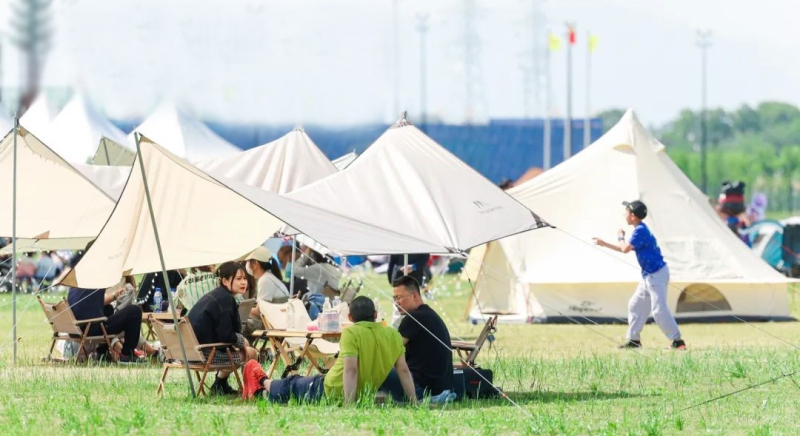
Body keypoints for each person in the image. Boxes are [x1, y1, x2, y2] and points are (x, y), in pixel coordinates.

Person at [242, 296, 417, 405]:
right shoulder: (393, 335)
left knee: (293, 383)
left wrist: (349, 405)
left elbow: (351, 369)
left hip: (331, 390)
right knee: (297, 385)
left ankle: (262, 383)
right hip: (361, 393)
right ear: (375, 314)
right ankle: (262, 390)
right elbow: (403, 370)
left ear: (350, 317)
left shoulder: (351, 332)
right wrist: (413, 402)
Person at [592, 200, 686, 350]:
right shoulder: (640, 230)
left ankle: (677, 342)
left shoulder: (640, 230)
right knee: (635, 305)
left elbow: (625, 249)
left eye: (626, 212)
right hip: (648, 275)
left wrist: (620, 236)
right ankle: (634, 341)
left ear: (633, 216)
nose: (624, 214)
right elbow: (625, 248)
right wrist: (604, 244)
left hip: (656, 274)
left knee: (659, 310)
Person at [187, 261, 258, 395]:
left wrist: (239, 341)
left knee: (239, 348)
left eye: (244, 278)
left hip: (189, 353)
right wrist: (242, 341)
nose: (243, 282)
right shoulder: (225, 299)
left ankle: (220, 385)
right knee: (251, 352)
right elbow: (226, 336)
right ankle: (251, 391)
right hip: (205, 354)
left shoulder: (216, 295)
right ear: (225, 281)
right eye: (238, 279)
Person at [66, 242, 144, 363]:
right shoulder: (99, 273)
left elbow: (91, 301)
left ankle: (102, 352)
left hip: (76, 328)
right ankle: (127, 355)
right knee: (134, 311)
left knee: (108, 309)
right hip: (90, 328)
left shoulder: (80, 273)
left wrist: (114, 295)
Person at [389, 275, 453, 399]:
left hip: (421, 389)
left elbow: (390, 350)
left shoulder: (413, 318)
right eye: (394, 298)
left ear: (414, 296)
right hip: (442, 387)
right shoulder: (429, 314)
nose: (396, 303)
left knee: (376, 370)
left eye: (399, 297)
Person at [294, 248, 341, 320]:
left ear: (313, 255)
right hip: (332, 305)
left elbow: (295, 270)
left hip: (319, 306)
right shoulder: (333, 268)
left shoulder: (319, 268)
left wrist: (306, 254)